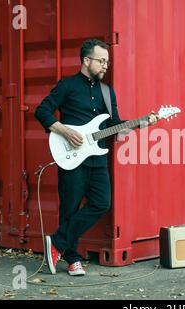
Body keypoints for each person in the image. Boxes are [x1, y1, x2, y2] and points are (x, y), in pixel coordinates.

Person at [34, 39, 158, 276]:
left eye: (107, 62)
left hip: (97, 158)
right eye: (102, 61)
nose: (105, 66)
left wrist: (142, 123)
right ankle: (72, 259)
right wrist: (64, 130)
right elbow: (42, 111)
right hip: (71, 157)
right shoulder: (67, 86)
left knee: (102, 203)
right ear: (86, 60)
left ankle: (57, 242)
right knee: (69, 208)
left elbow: (114, 125)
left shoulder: (106, 91)